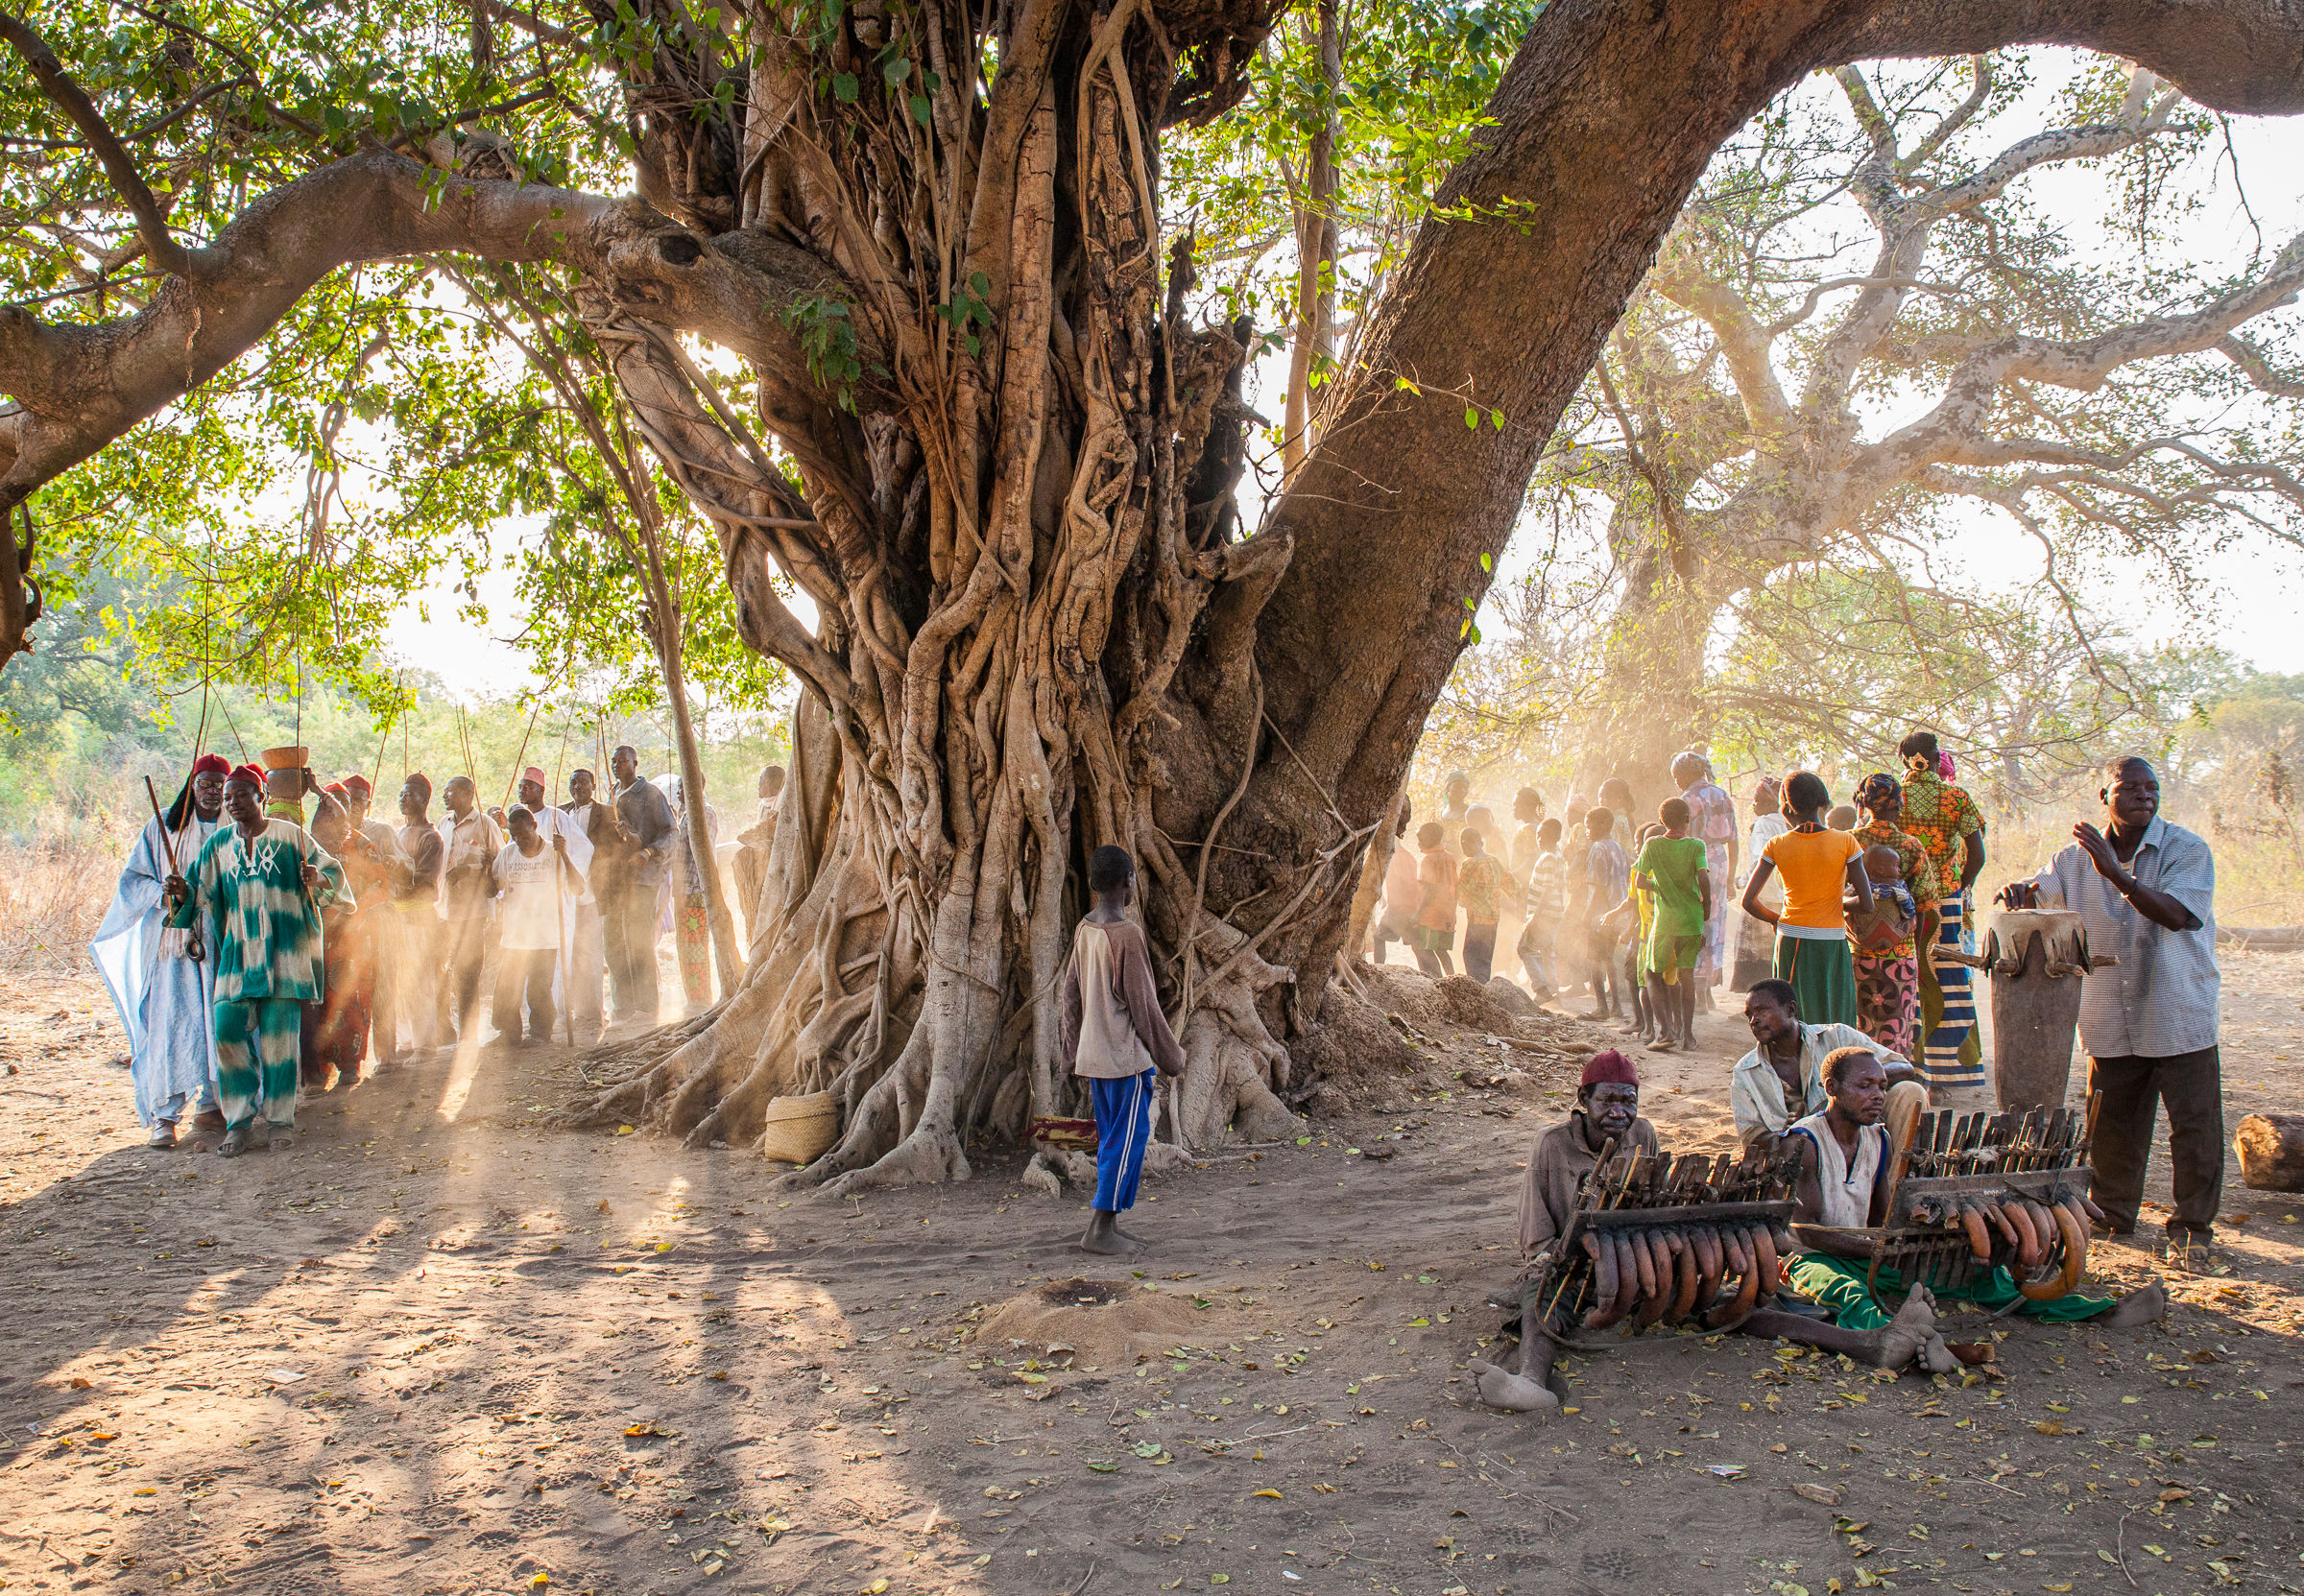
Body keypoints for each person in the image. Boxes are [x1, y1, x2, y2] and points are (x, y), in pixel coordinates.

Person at [1781, 1048, 2165, 1343]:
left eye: (1881, 1087)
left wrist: (1902, 1244)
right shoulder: (1804, 1142)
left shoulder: (1878, 1137)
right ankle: (1896, 1338)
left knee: (1980, 1281)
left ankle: (2099, 1312)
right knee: (1848, 1294)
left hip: (1865, 1252)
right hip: (1810, 1257)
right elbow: (1808, 1231)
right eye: (1864, 1087)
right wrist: (1876, 1249)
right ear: (1831, 1088)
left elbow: (1883, 1215)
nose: (1877, 1096)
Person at [2007, 755, 2222, 1271]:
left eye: (2152, 788)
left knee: (2194, 1126)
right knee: (2113, 1125)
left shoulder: (2185, 848)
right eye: (2130, 789)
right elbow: (2040, 896)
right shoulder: (2073, 859)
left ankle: (2192, 1230)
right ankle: (2114, 1213)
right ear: (2105, 796)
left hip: (2176, 1007)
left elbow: (2175, 914)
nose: (2145, 797)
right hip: (2108, 1013)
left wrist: (2115, 873)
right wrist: (2018, 893)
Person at [163, 764, 347, 1156]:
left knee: (280, 1044)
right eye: (227, 798)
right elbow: (198, 893)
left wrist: (317, 879)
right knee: (228, 1033)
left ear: (260, 796)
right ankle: (239, 1123)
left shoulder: (291, 836)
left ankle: (280, 1121)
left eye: (240, 795)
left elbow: (335, 876)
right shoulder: (218, 846)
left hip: (285, 955)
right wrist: (180, 891)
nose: (231, 803)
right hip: (237, 955)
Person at [1472, 1049, 1661, 1414]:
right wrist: (1560, 1259)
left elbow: (1654, 1207)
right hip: (1566, 1263)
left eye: (1628, 1102)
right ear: (1583, 1100)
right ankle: (1529, 1382)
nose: (1619, 1112)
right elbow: (1536, 1236)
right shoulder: (1551, 1143)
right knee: (1542, 1303)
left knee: (1693, 1289)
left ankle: (1802, 1325)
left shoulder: (1643, 1135)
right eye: (1607, 1101)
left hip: (1630, 1260)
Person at [91, 753, 229, 1147]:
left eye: (219, 785)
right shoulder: (163, 827)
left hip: (218, 944)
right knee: (173, 1025)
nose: (212, 792)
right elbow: (133, 880)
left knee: (217, 1025)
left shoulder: (234, 826)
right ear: (192, 784)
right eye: (205, 784)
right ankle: (164, 1116)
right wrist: (162, 892)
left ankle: (212, 1105)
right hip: (173, 947)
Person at [1057, 846, 1186, 1255]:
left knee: (1115, 1139)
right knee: (1125, 1144)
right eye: (1134, 879)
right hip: (1125, 1064)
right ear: (1127, 880)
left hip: (1096, 1061)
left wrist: (1072, 1052)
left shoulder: (1084, 929)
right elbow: (1144, 1007)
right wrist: (1172, 1058)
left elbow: (1070, 996)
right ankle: (1100, 1229)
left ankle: (1109, 1225)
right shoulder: (1127, 934)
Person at [1741, 771, 1872, 1029]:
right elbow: (1867, 904)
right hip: (1832, 941)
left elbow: (1749, 901)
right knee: (1835, 1016)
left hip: (1792, 938)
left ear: (1787, 808)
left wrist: (1777, 921)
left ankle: (1797, 1068)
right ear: (1824, 802)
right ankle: (1834, 1067)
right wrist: (1838, 903)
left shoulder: (1777, 844)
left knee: (1792, 1018)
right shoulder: (1846, 841)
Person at [1731, 978, 1925, 1152]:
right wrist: (1789, 1135)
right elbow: (1752, 1138)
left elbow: (1904, 1069)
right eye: (1749, 1015)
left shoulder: (1838, 1037)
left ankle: (1893, 1185)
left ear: (1790, 1010)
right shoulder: (1745, 1072)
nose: (1754, 1021)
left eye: (1762, 1011)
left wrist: (1846, 1090)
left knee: (1910, 1090)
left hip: (1860, 1137)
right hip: (1802, 1157)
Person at [1896, 730, 1986, 1089]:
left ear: (1904, 760)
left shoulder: (1890, 797)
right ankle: (1952, 1069)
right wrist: (1956, 889)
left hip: (1902, 904)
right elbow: (1977, 856)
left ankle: (1911, 1069)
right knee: (1949, 979)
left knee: (1907, 979)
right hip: (1946, 903)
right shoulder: (1956, 796)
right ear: (1936, 757)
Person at [300, 788, 387, 1090]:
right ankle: (320, 1068)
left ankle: (351, 1065)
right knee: (318, 1003)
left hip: (353, 935)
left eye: (340, 807)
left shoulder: (363, 845)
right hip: (315, 935)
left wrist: (353, 914)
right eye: (325, 809)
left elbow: (379, 886)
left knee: (352, 999)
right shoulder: (307, 846)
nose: (332, 814)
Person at [1846, 773, 1936, 1060]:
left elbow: (1836, 896)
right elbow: (1924, 906)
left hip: (1855, 952)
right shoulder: (1911, 846)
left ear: (1865, 803)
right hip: (1900, 958)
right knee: (1896, 1033)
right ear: (1899, 804)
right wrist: (1914, 949)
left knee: (1857, 1031)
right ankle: (1895, 1091)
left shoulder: (1849, 841)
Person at [491, 805, 588, 1047]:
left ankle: (540, 1033)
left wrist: (564, 854)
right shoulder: (507, 854)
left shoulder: (554, 853)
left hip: (545, 936)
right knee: (506, 987)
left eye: (523, 834)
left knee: (538, 988)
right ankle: (509, 1032)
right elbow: (493, 888)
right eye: (513, 835)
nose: (519, 840)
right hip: (515, 935)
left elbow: (578, 888)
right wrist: (485, 866)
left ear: (535, 827)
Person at [604, 745, 676, 1025]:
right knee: (614, 943)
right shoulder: (611, 794)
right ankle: (623, 1005)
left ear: (635, 761)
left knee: (639, 940)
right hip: (616, 881)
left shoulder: (651, 793)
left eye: (622, 759)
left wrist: (648, 852)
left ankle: (646, 1007)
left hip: (643, 879)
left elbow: (671, 831)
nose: (617, 764)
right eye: (613, 760)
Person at [1632, 797, 1710, 1051]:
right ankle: (1688, 1036)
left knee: (1651, 974)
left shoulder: (1652, 845)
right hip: (1692, 919)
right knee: (1687, 977)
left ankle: (1664, 1031)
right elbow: (1703, 878)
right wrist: (1706, 906)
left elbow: (1640, 882)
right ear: (1687, 819)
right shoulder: (1697, 846)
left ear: (1662, 820)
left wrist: (1661, 886)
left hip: (1665, 923)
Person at [437, 775, 503, 1043]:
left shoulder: (485, 824)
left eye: (449, 791)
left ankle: (469, 1032)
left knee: (468, 971)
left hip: (473, 910)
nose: (445, 796)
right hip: (445, 908)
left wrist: (474, 868)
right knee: (444, 969)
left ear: (467, 794)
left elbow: (501, 860)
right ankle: (445, 1030)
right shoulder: (444, 824)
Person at [388, 774, 446, 1055]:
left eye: (409, 794)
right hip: (397, 917)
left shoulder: (431, 837)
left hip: (420, 916)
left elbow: (425, 881)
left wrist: (395, 871)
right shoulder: (399, 834)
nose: (403, 798)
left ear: (425, 799)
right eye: (401, 794)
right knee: (399, 980)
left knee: (421, 979)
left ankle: (425, 1044)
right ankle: (407, 1040)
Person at [1672, 753, 1738, 991]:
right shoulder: (1722, 795)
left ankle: (1697, 990)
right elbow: (1734, 839)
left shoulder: (1688, 798)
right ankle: (1707, 989)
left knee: (1693, 922)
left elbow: (1680, 837)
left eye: (1677, 776)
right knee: (1714, 922)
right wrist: (1730, 878)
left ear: (1688, 774)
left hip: (1695, 863)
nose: (1677, 781)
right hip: (1719, 865)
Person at [560, 769, 615, 1029]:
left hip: (592, 892)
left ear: (594, 785)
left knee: (591, 952)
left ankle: (593, 1010)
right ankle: (571, 1009)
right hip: (567, 896)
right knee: (570, 952)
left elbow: (613, 848)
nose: (578, 786)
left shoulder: (605, 812)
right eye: (573, 782)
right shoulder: (561, 813)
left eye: (583, 782)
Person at [666, 773, 720, 1013]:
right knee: (686, 946)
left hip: (696, 889)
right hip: (684, 891)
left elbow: (703, 852)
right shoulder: (687, 813)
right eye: (678, 788)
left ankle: (700, 1000)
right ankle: (694, 998)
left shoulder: (704, 811)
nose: (678, 792)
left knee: (696, 946)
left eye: (681, 786)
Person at [1731, 775, 1788, 991]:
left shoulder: (1763, 824)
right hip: (1782, 897)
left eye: (1757, 799)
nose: (1753, 804)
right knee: (1772, 952)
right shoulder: (1788, 824)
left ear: (1772, 802)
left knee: (1753, 953)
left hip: (1761, 896)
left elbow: (1759, 861)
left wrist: (1743, 880)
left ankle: (1755, 1000)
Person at [1574, 805, 1628, 1019]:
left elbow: (1598, 887)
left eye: (1589, 827)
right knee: (1609, 959)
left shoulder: (1597, 848)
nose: (1587, 831)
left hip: (1601, 914)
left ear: (1603, 825)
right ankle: (1616, 1006)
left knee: (1594, 959)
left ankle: (1601, 1007)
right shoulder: (1618, 848)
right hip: (1617, 912)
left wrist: (1587, 916)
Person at [732, 764, 785, 950]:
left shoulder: (784, 803)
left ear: (772, 782)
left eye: (760, 780)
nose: (758, 785)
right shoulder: (763, 806)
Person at [1455, 826, 1515, 984]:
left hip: (1477, 917)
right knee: (1485, 956)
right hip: (1494, 917)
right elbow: (1510, 884)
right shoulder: (1493, 860)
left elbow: (1462, 894)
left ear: (1465, 843)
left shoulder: (1469, 864)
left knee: (1471, 954)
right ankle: (1485, 987)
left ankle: (1478, 990)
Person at [1517, 817, 1566, 1000]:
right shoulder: (1558, 855)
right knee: (1546, 950)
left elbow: (1547, 890)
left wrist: (1534, 918)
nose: (1539, 839)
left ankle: (1542, 989)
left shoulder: (1547, 858)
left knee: (1524, 948)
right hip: (1554, 912)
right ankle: (1552, 988)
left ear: (1554, 836)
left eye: (1542, 835)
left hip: (1544, 913)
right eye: (1538, 835)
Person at [1410, 820, 1459, 977]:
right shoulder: (1450, 859)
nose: (1418, 844)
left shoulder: (1428, 860)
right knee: (1442, 950)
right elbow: (1456, 887)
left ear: (1430, 839)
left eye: (1421, 840)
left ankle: (1435, 979)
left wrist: (1418, 913)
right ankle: (1453, 979)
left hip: (1431, 915)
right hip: (1447, 914)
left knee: (1424, 947)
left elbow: (1429, 889)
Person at [1374, 799, 1419, 967]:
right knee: (1419, 948)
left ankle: (1379, 968)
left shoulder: (1397, 857)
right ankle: (1436, 974)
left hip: (1399, 908)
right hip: (1409, 907)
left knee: (1378, 937)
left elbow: (1405, 884)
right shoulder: (1408, 857)